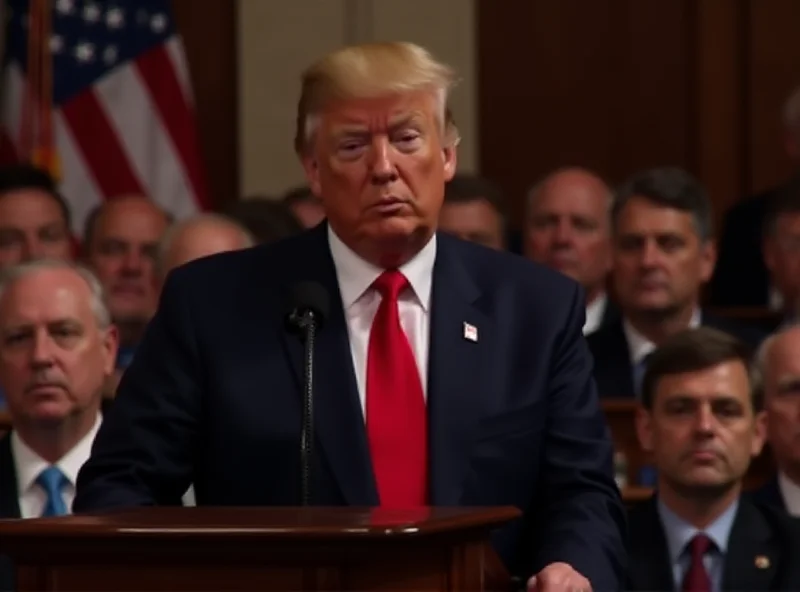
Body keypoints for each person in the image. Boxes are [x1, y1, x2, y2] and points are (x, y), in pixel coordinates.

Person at [73, 41, 626, 591]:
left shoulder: (534, 308)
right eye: (354, 145)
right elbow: (122, 487)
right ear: (313, 169)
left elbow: (581, 491)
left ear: (448, 156)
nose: (384, 168)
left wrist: (573, 569)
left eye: (407, 139)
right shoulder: (214, 304)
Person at [626, 327, 800, 591]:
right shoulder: (605, 549)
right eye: (681, 409)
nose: (704, 427)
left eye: (726, 410)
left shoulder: (795, 551)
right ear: (646, 429)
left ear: (758, 432)